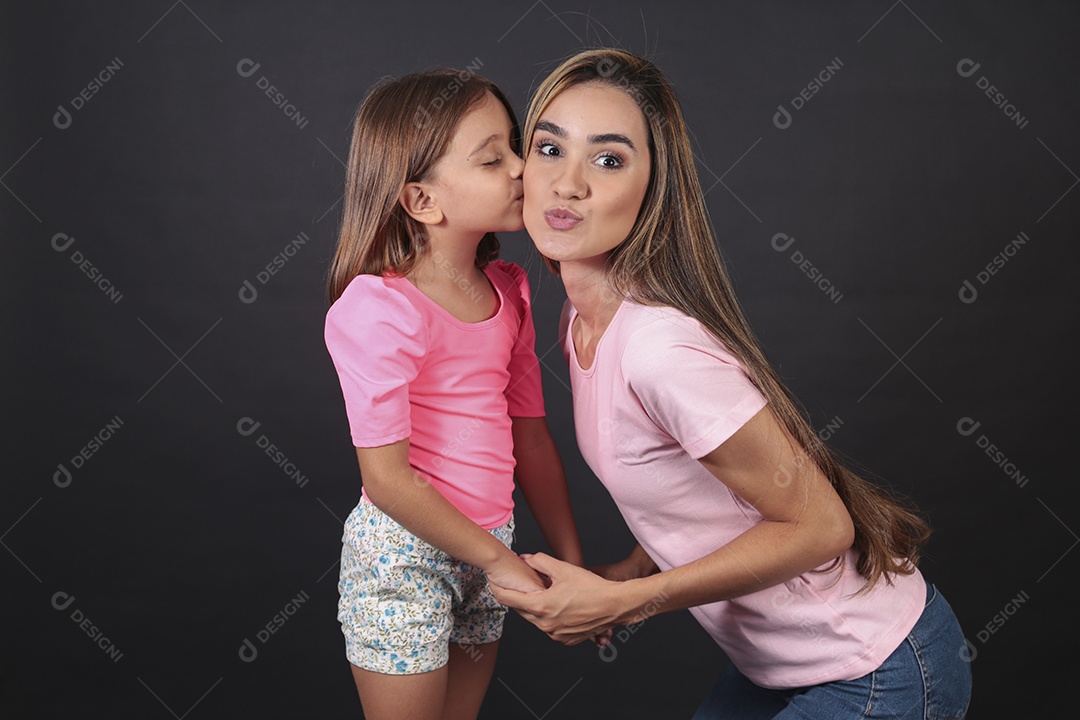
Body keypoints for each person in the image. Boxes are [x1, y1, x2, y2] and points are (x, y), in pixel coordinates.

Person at [491, 49, 972, 719]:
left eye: (608, 159)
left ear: (652, 190)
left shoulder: (657, 349)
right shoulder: (582, 320)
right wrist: (629, 572)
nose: (568, 184)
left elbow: (823, 525)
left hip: (878, 668)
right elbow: (697, 494)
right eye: (549, 148)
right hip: (778, 668)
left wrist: (628, 603)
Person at [323, 68, 584, 720]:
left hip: (489, 549)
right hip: (404, 559)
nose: (524, 167)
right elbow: (387, 481)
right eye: (494, 159)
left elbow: (529, 435)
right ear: (422, 201)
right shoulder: (377, 310)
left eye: (516, 148)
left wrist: (571, 563)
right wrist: (506, 564)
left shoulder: (510, 289)